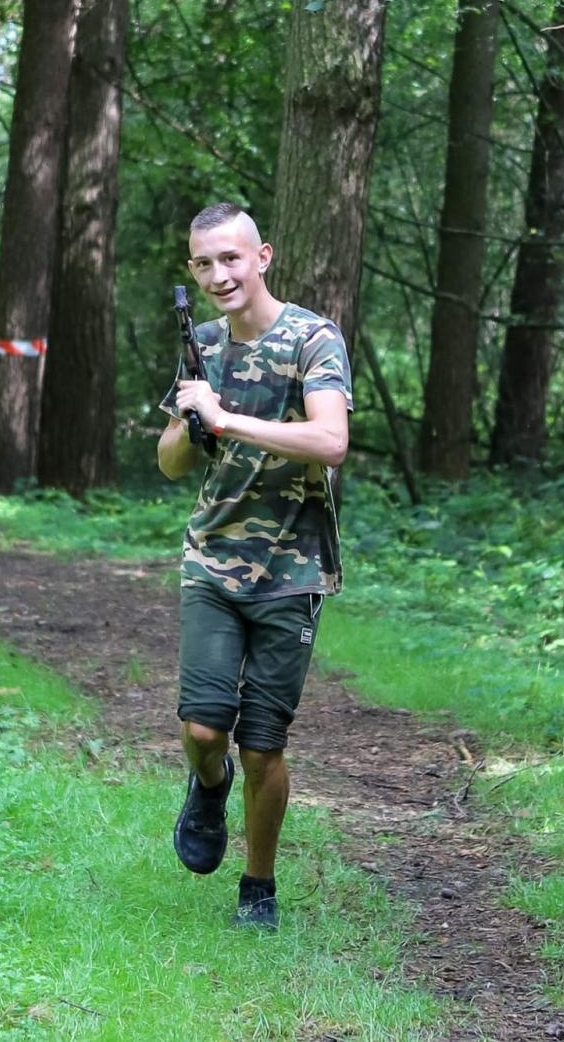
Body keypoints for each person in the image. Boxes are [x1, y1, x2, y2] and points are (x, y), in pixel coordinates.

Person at [156, 202, 353, 930]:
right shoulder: (200, 343)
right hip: (211, 561)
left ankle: (258, 888)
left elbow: (330, 441)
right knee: (206, 732)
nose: (219, 274)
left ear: (262, 256)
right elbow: (172, 462)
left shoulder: (312, 338)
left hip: (293, 570)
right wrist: (189, 418)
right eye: (204, 263)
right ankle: (208, 788)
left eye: (231, 259)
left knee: (264, 746)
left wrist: (230, 418)